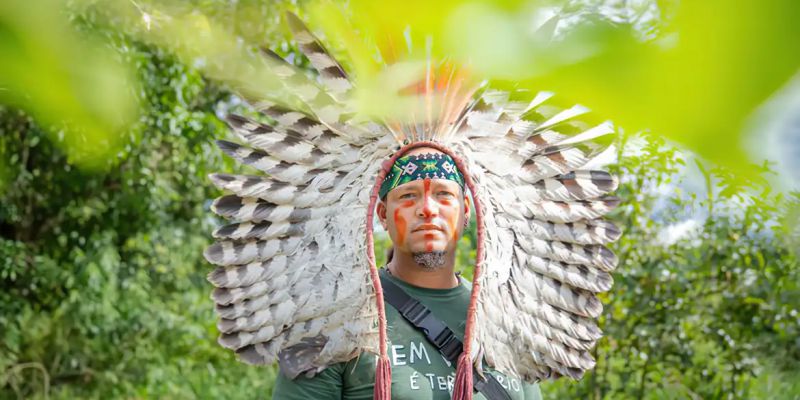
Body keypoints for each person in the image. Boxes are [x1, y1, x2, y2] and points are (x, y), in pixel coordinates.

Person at [272, 147, 543, 399]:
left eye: (444, 195)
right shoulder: (331, 320)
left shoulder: (503, 322)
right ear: (382, 214)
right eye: (408, 195)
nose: (427, 209)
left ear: (465, 211)